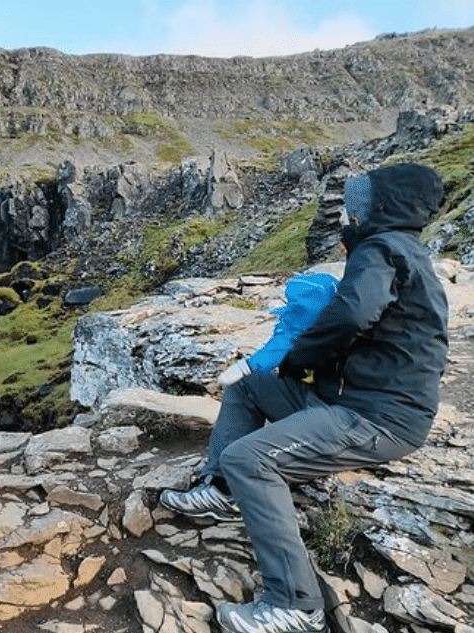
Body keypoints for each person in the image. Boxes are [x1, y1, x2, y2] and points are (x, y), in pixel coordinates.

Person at [158, 163, 449, 633]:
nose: (349, 215)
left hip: (378, 419)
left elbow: (353, 313)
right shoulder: (401, 251)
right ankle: (222, 491)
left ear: (381, 209)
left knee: (250, 459)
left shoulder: (383, 249)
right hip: (350, 400)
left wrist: (297, 360)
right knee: (248, 386)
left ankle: (295, 604)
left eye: (359, 205)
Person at [217, 272, 339, 388]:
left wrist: (246, 367)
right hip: (336, 388)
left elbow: (283, 342)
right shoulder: (343, 315)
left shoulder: (301, 320)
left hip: (314, 391)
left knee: (240, 389)